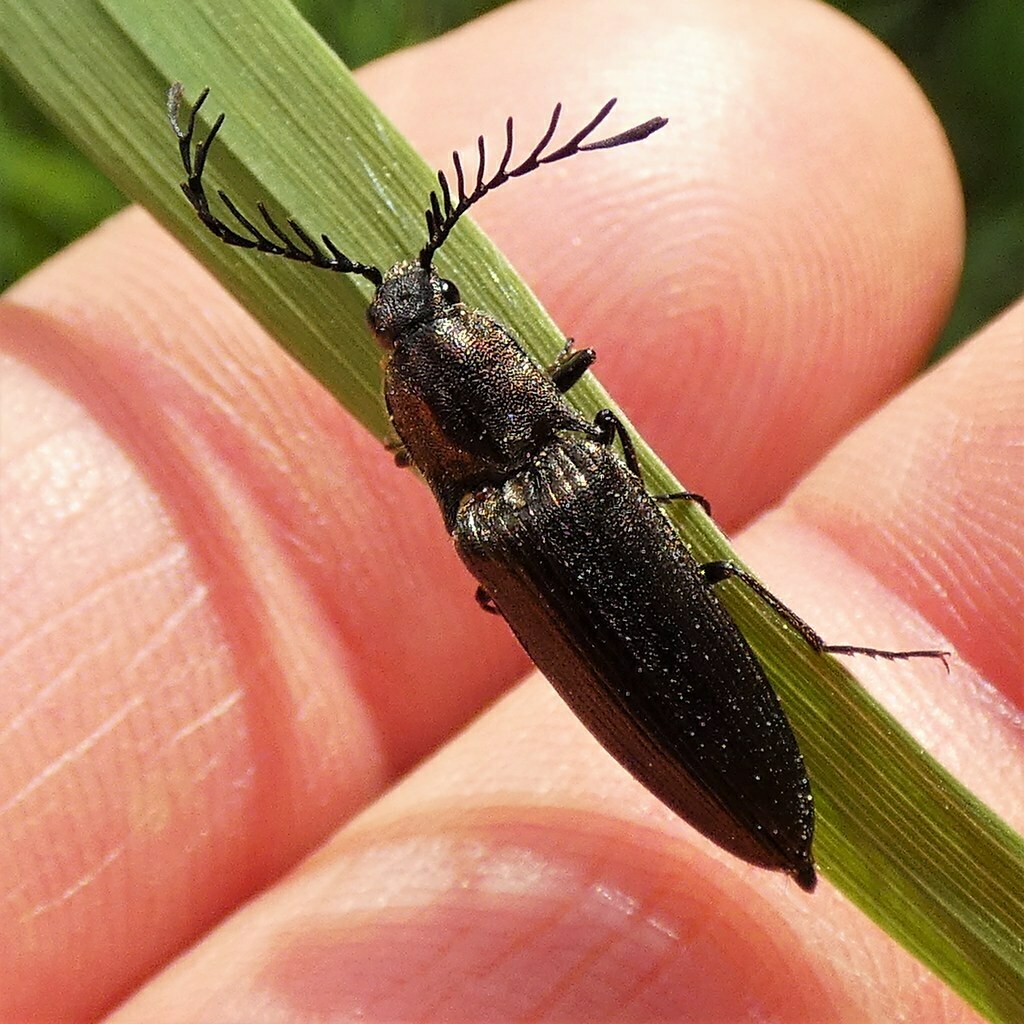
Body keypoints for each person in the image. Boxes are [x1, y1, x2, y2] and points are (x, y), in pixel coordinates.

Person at [2, 0, 1018, 1020]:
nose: (425, 308)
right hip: (715, 729)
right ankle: (833, 661)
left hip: (711, 751)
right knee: (720, 574)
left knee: (700, 584)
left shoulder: (480, 515)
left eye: (431, 310)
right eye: (437, 314)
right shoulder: (567, 457)